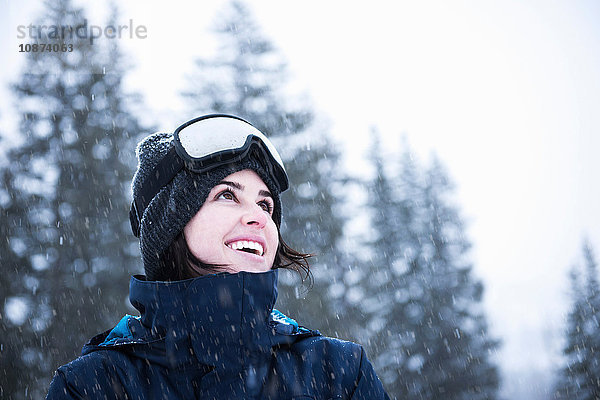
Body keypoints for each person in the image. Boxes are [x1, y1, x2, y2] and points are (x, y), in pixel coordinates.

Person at [46, 114, 390, 399]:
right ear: (171, 225)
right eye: (227, 195)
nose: (259, 217)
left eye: (265, 204)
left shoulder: (336, 371)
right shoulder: (95, 385)